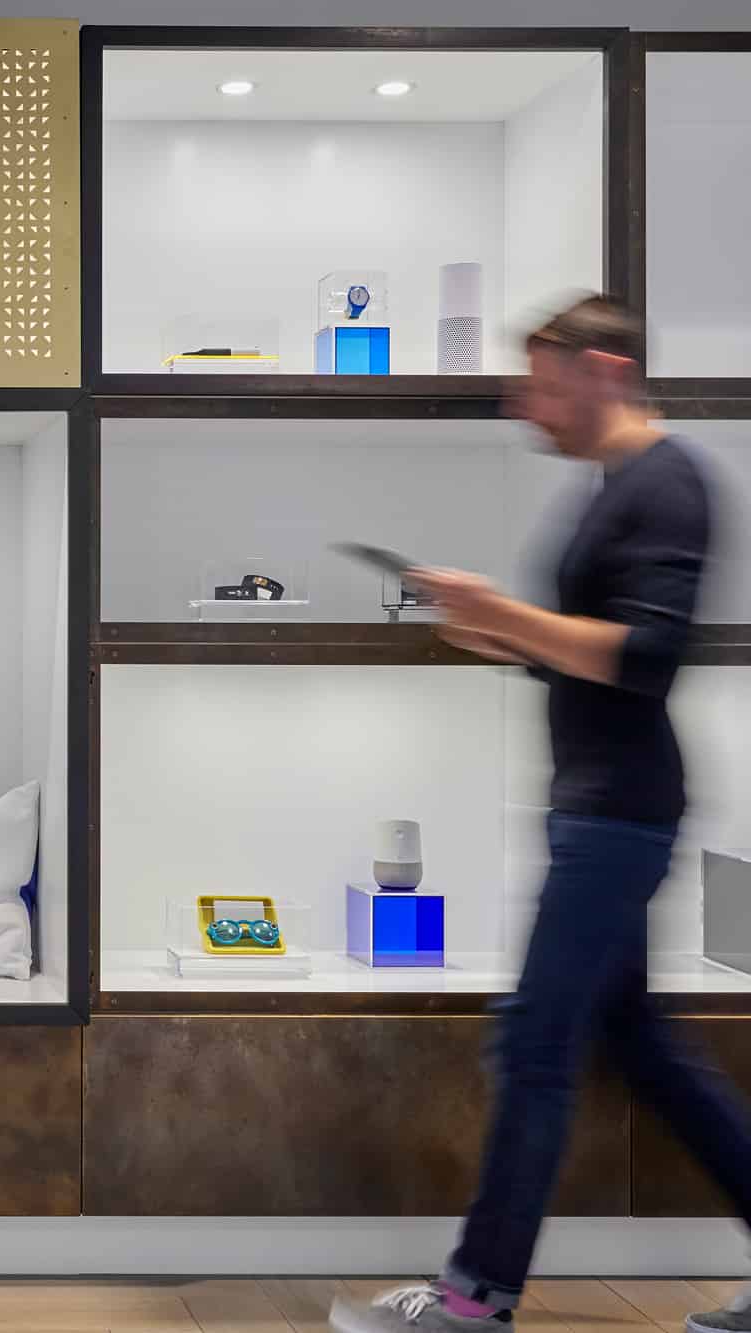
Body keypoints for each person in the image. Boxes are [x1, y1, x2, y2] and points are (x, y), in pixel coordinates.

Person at [334, 296, 751, 1333]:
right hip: (598, 808)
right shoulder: (613, 488)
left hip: (618, 813)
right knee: (639, 1046)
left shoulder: (668, 481)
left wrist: (500, 615)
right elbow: (588, 652)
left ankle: (474, 1299)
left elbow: (644, 658)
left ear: (602, 368)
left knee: (532, 1041)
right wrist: (496, 636)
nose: (526, 400)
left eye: (541, 379)